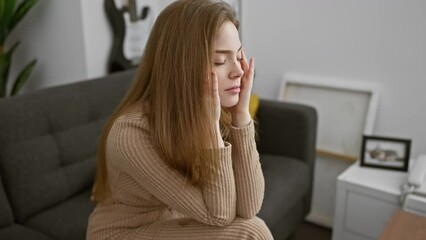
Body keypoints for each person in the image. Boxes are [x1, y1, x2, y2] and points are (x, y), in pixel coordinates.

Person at [87, 0, 273, 239]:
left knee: (251, 226)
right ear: (181, 66)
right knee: (251, 232)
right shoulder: (129, 134)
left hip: (173, 219)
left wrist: (241, 115)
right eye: (219, 60)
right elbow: (220, 215)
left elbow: (249, 207)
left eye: (238, 57)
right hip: (124, 233)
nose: (238, 71)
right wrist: (209, 128)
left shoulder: (203, 109)